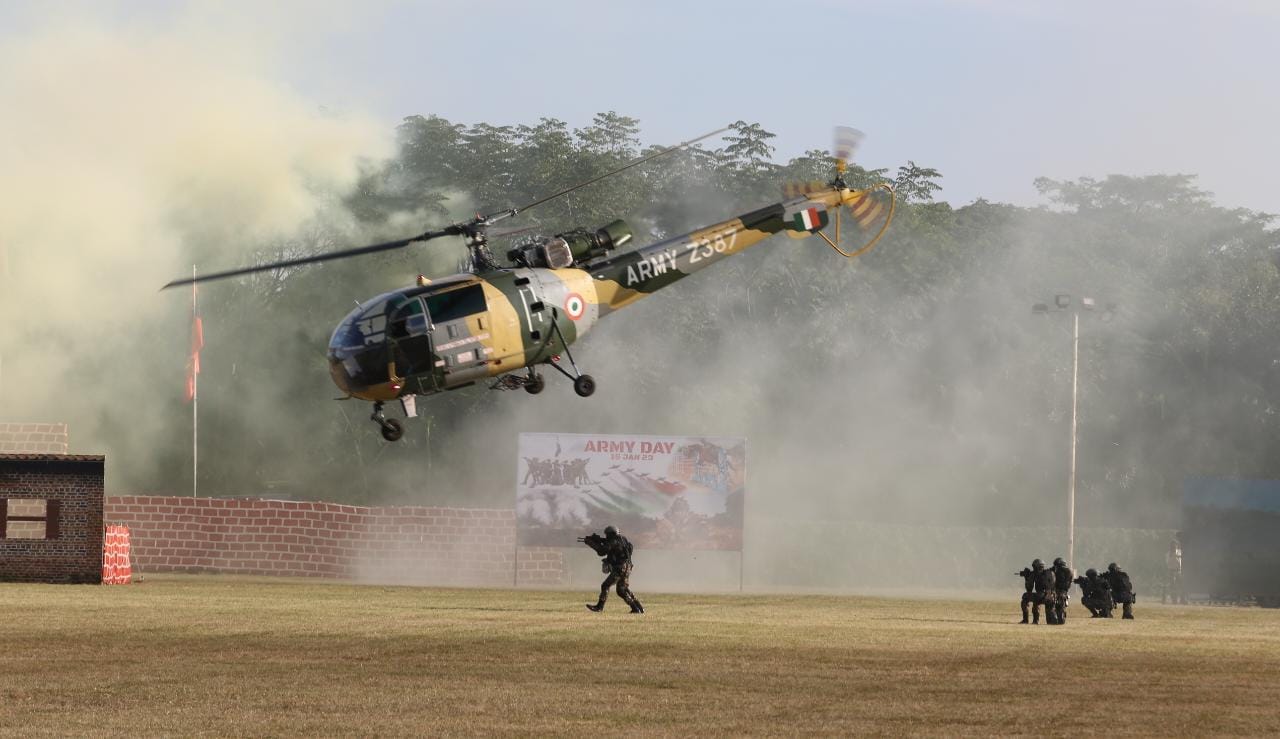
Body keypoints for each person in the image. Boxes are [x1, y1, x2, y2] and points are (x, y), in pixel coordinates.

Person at [581, 525, 644, 614]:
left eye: (607, 535)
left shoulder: (613, 540)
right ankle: (638, 607)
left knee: (605, 585)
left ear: (611, 534)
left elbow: (602, 551)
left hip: (620, 568)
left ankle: (600, 607)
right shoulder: (623, 539)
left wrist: (591, 543)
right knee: (622, 590)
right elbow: (611, 545)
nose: (606, 536)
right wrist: (599, 540)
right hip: (627, 567)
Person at [1017, 559, 1054, 624]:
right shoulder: (1049, 573)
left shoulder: (1034, 574)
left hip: (1041, 595)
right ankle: (1049, 621)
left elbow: (1029, 588)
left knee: (1025, 597)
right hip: (1050, 596)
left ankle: (1026, 620)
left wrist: (1026, 578)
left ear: (1036, 567)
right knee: (1037, 600)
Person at [1165, 531, 1185, 605]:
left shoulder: (1179, 551)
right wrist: (1173, 555)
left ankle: (1182, 599)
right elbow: (1168, 563)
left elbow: (1180, 561)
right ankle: (1174, 600)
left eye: (1176, 545)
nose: (1175, 547)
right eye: (1173, 546)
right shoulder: (1168, 554)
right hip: (1171, 571)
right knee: (1173, 586)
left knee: (1181, 585)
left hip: (1178, 571)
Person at [1051, 557, 1073, 624]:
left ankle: (1060, 618)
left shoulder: (1067, 571)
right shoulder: (1056, 570)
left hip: (1062, 591)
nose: (1056, 567)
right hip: (1056, 590)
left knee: (1060, 604)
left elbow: (1066, 584)